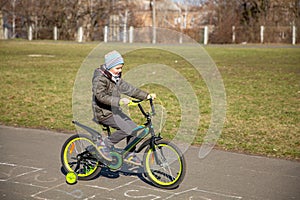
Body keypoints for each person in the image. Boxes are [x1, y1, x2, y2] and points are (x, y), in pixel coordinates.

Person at [92, 50, 156, 166]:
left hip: (114, 111)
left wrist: (146, 95)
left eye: (121, 68)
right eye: (117, 68)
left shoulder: (116, 78)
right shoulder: (100, 78)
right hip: (103, 113)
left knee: (133, 128)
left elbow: (129, 89)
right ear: (109, 67)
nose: (120, 71)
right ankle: (104, 144)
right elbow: (100, 96)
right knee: (126, 129)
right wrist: (119, 101)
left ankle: (129, 154)